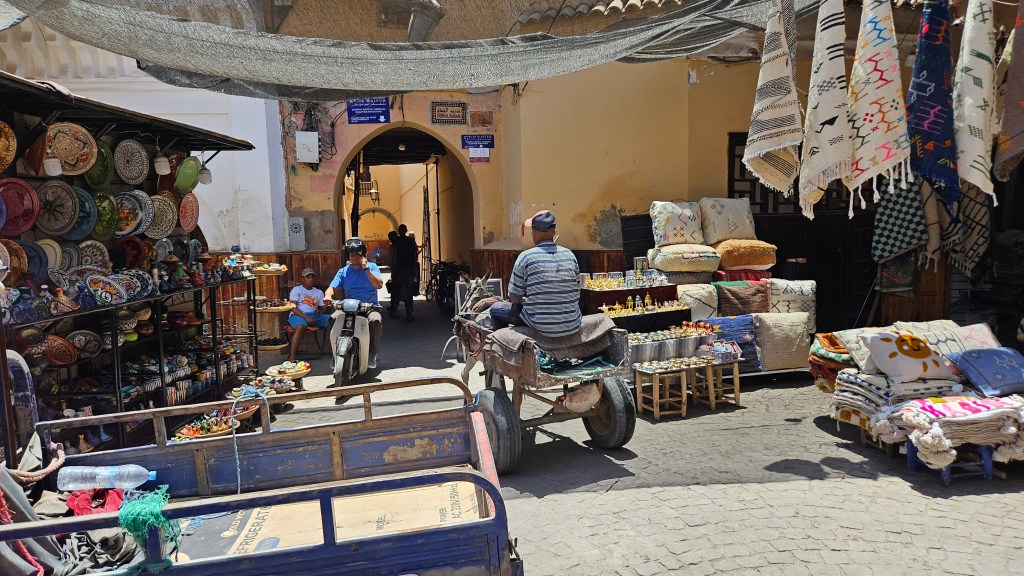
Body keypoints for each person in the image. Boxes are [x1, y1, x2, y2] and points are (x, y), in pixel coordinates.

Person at [490, 210, 582, 337]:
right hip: (572, 323)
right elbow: (577, 290)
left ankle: (504, 345)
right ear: (554, 231)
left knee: (495, 309)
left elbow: (514, 298)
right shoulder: (570, 255)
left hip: (540, 325)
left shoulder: (526, 257)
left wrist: (523, 299)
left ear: (534, 232)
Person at [324, 237, 384, 369]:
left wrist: (366, 269)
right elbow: (332, 287)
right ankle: (334, 354)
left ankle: (372, 353)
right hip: (349, 307)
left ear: (363, 254)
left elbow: (379, 285)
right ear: (348, 256)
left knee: (375, 321)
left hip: (369, 307)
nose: (354, 257)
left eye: (358, 254)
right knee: (332, 318)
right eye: (352, 254)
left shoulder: (372, 267)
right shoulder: (343, 271)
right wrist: (328, 295)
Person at [286, 268, 330, 362]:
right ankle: (292, 357)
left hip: (313, 316)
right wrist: (306, 317)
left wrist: (324, 306)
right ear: (303, 279)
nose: (310, 279)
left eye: (312, 277)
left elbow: (322, 308)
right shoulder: (296, 290)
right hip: (297, 315)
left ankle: (335, 353)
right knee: (300, 327)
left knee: (333, 321)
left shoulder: (318, 292)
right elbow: (293, 308)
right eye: (308, 277)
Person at [390, 224, 420, 321]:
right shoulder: (411, 241)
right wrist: (415, 268)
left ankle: (395, 311)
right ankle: (409, 313)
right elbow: (415, 255)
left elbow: (395, 256)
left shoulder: (396, 241)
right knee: (409, 291)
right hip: (409, 268)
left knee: (397, 290)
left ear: (399, 231)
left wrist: (393, 270)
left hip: (399, 269)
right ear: (406, 231)